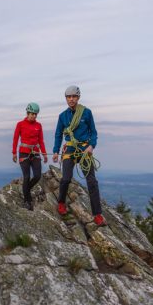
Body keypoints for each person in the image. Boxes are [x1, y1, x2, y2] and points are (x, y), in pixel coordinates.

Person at [52, 86, 107, 226]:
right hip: (70, 148)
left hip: (84, 149)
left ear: (78, 97)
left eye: (73, 97)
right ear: (66, 98)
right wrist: (55, 151)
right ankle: (61, 203)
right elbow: (58, 135)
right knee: (65, 178)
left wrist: (91, 146)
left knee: (92, 181)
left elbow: (93, 132)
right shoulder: (62, 116)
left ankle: (97, 214)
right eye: (68, 97)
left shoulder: (86, 113)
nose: (71, 99)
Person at [12, 102, 48, 210]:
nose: (33, 116)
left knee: (37, 176)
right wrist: (14, 152)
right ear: (27, 113)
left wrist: (44, 153)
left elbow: (41, 140)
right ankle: (27, 201)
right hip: (24, 153)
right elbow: (15, 139)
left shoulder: (38, 125)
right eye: (31, 113)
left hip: (35, 153)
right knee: (27, 177)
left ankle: (26, 190)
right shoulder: (20, 124)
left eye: (35, 114)